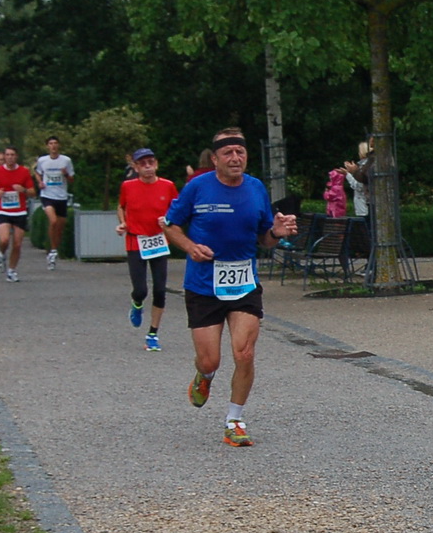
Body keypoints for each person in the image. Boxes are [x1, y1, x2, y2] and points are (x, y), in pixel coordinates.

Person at [162, 128, 298, 446]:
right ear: (215, 159)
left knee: (245, 352)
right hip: (203, 285)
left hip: (244, 283)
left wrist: (276, 233)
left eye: (240, 152)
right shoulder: (198, 187)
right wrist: (189, 246)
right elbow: (169, 224)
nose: (235, 158)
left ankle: (234, 420)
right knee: (210, 360)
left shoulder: (255, 189)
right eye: (228, 153)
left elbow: (264, 238)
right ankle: (204, 377)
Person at [117, 147, 179, 351]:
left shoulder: (168, 186)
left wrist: (169, 220)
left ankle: (153, 333)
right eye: (142, 164)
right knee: (141, 289)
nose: (147, 167)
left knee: (160, 290)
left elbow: (177, 209)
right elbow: (121, 206)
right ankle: (136, 303)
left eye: (150, 162)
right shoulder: (128, 186)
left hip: (159, 241)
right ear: (135, 167)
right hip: (136, 241)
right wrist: (123, 223)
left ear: (156, 164)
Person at [0, 146, 36, 282]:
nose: (10, 157)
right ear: (4, 157)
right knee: (4, 240)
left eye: (12, 155)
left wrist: (23, 190)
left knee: (17, 244)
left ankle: (11, 271)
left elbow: (33, 192)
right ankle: (1, 254)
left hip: (19, 211)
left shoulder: (24, 171)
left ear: (16, 157)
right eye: (7, 155)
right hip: (4, 210)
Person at [34, 135, 75, 270]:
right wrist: (40, 182)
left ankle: (53, 249)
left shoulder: (66, 160)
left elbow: (72, 180)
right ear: (47, 146)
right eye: (51, 143)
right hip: (47, 195)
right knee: (53, 221)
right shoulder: (42, 160)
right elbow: (37, 172)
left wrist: (66, 175)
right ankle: (51, 249)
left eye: (55, 143)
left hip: (61, 196)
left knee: (60, 227)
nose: (53, 146)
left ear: (59, 145)